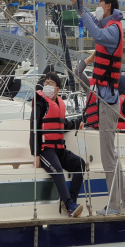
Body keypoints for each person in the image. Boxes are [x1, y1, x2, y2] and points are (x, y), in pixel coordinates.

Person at [61, 0, 125, 216]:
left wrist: (82, 10)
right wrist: (77, 4)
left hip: (107, 102)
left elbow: (96, 31)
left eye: (100, 4)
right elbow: (93, 21)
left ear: (109, 6)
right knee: (111, 155)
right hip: (108, 100)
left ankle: (114, 206)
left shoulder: (112, 31)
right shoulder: (110, 24)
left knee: (107, 158)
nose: (98, 8)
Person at [29, 72, 85, 218]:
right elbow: (33, 128)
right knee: (58, 170)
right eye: (46, 82)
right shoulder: (40, 103)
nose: (47, 85)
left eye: (51, 83)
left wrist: (77, 123)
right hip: (45, 149)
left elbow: (62, 124)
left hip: (59, 149)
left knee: (80, 164)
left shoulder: (59, 103)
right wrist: (35, 154)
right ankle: (70, 205)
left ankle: (70, 201)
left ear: (57, 89)